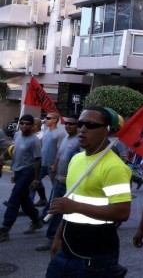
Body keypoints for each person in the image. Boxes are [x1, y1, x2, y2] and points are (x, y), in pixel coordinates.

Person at [46, 107, 132, 277]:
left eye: (91, 125)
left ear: (107, 130)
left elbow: (122, 212)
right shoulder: (77, 159)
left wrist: (75, 206)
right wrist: (58, 238)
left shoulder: (114, 167)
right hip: (66, 247)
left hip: (95, 256)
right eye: (80, 124)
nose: (82, 129)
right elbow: (68, 208)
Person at [36, 115, 80, 251]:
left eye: (71, 123)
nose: (68, 125)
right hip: (58, 180)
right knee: (55, 208)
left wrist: (70, 178)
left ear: (77, 125)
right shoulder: (66, 138)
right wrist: (54, 167)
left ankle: (58, 239)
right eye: (66, 123)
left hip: (70, 183)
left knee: (62, 211)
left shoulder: (79, 141)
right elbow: (60, 155)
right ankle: (54, 238)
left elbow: (82, 163)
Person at [0, 114, 44, 242]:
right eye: (22, 123)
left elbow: (38, 160)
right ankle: (36, 220)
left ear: (32, 125)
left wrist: (36, 179)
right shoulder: (17, 135)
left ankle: (5, 229)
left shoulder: (34, 141)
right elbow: (12, 150)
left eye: (28, 123)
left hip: (28, 171)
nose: (25, 126)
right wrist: (3, 155)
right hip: (18, 171)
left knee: (14, 198)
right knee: (23, 199)